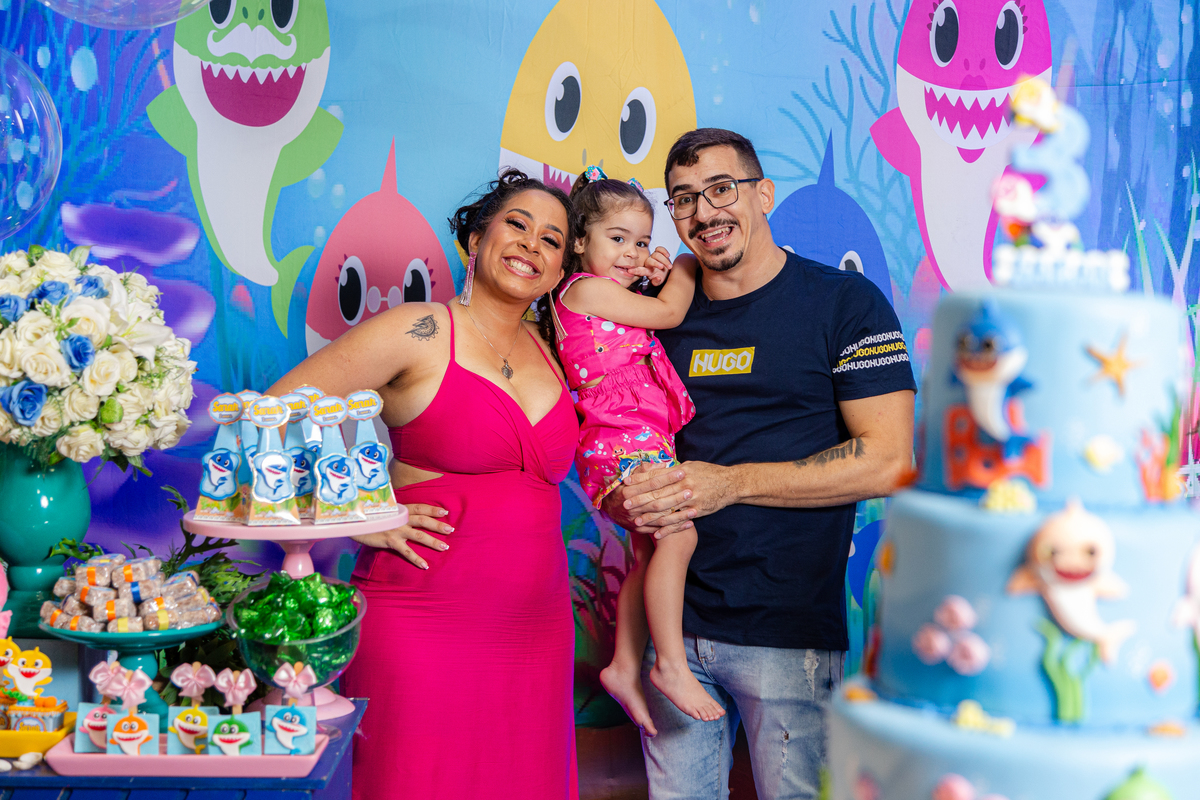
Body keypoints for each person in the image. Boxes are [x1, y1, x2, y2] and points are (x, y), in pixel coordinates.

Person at [603, 129, 917, 800]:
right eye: (684, 199)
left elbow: (889, 462)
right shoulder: (658, 312)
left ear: (763, 194)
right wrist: (622, 498)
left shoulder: (845, 303)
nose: (704, 212)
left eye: (722, 189)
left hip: (788, 634)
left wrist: (731, 484)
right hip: (672, 630)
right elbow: (611, 424)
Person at [267, 169, 582, 800]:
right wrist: (358, 511)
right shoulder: (420, 329)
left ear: (559, 271)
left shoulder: (557, 347)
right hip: (422, 620)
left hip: (536, 631)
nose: (532, 244)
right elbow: (274, 411)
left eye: (551, 240)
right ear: (475, 239)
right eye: (517, 225)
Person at [552, 166, 721, 731]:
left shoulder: (610, 292)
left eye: (643, 242)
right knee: (679, 533)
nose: (632, 253)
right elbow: (670, 313)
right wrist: (687, 264)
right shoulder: (584, 289)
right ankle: (670, 664)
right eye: (618, 239)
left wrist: (648, 274)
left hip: (635, 436)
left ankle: (624, 665)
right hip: (622, 439)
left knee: (649, 552)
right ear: (580, 242)